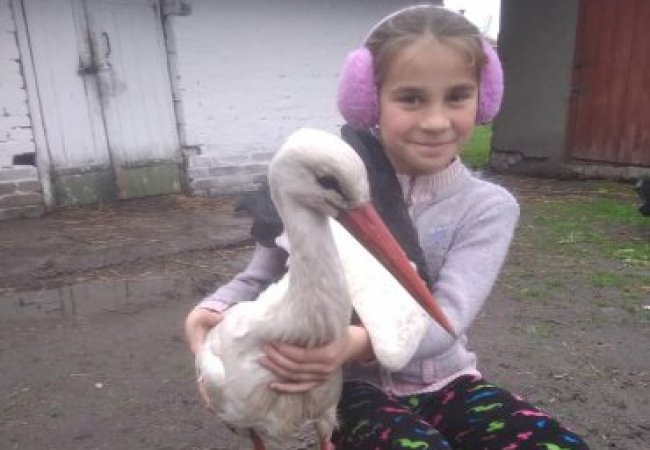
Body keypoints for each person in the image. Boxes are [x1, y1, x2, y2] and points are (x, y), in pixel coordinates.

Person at [185, 5, 590, 449]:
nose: (435, 121)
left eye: (457, 96)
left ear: (484, 99)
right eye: (411, 98)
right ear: (368, 101)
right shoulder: (321, 182)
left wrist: (352, 342)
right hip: (349, 388)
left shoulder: (489, 207)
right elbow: (259, 277)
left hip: (448, 381)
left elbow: (447, 320)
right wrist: (210, 313)